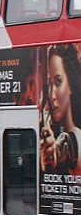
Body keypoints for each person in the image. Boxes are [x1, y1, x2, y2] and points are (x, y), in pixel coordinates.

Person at [40, 43, 81, 174]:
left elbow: (69, 145)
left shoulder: (74, 140)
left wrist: (55, 155)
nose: (52, 95)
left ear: (70, 83)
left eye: (58, 82)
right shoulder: (46, 130)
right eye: (49, 84)